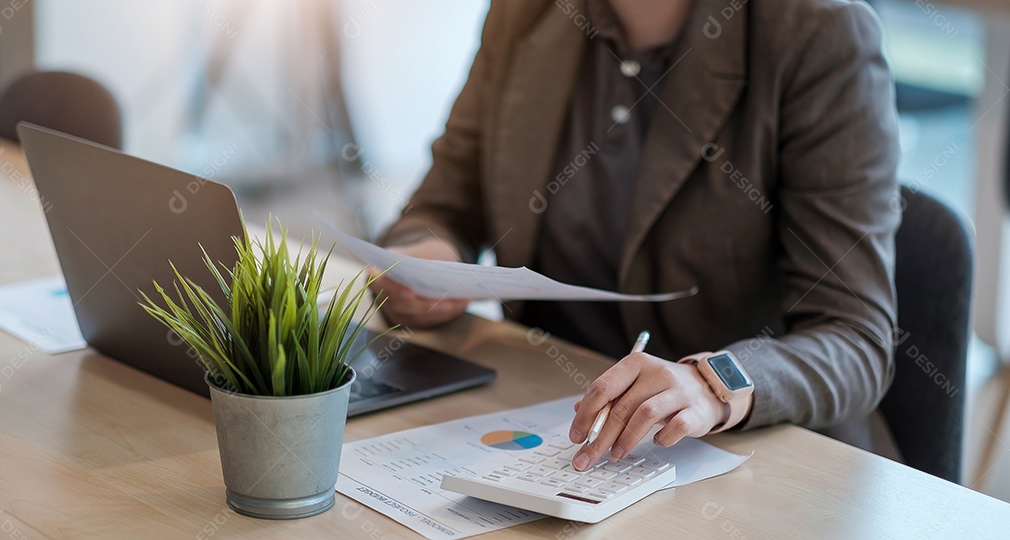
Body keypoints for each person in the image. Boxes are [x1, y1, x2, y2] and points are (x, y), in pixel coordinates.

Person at [369, 0, 900, 470]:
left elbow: (855, 333)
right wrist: (423, 265)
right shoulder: (525, 11)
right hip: (555, 431)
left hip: (754, 460)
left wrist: (711, 384)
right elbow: (443, 207)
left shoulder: (818, 32)